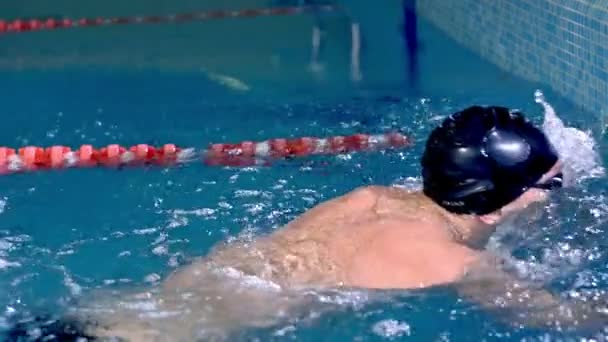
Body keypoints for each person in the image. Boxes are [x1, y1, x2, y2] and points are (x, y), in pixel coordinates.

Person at [6, 106, 607, 341]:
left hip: (91, 319)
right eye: (548, 186)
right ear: (496, 199)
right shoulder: (455, 264)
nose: (554, 195)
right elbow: (566, 320)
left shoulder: (373, 198)